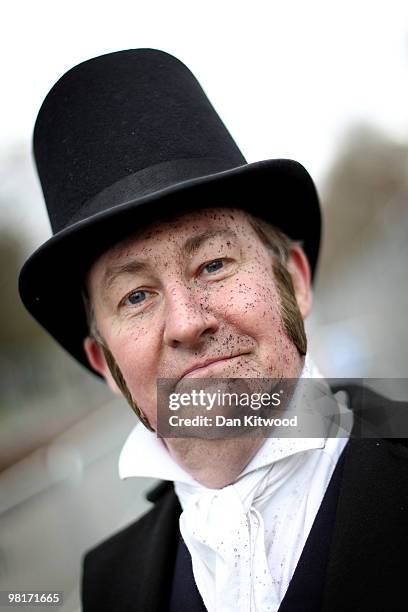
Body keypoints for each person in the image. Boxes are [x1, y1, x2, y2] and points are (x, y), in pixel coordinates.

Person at [18, 49, 407, 612]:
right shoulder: (109, 584)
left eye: (214, 264)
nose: (186, 322)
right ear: (105, 365)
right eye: (136, 296)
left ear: (293, 281)